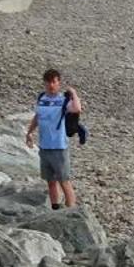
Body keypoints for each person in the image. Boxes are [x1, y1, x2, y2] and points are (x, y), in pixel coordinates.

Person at [25, 68, 81, 209]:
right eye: (48, 82)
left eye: (54, 82)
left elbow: (77, 109)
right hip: (44, 147)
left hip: (59, 147)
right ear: (45, 83)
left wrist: (73, 93)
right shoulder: (42, 99)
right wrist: (29, 132)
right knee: (51, 181)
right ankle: (55, 208)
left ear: (58, 83)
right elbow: (38, 117)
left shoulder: (63, 100)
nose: (51, 85)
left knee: (64, 180)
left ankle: (71, 210)